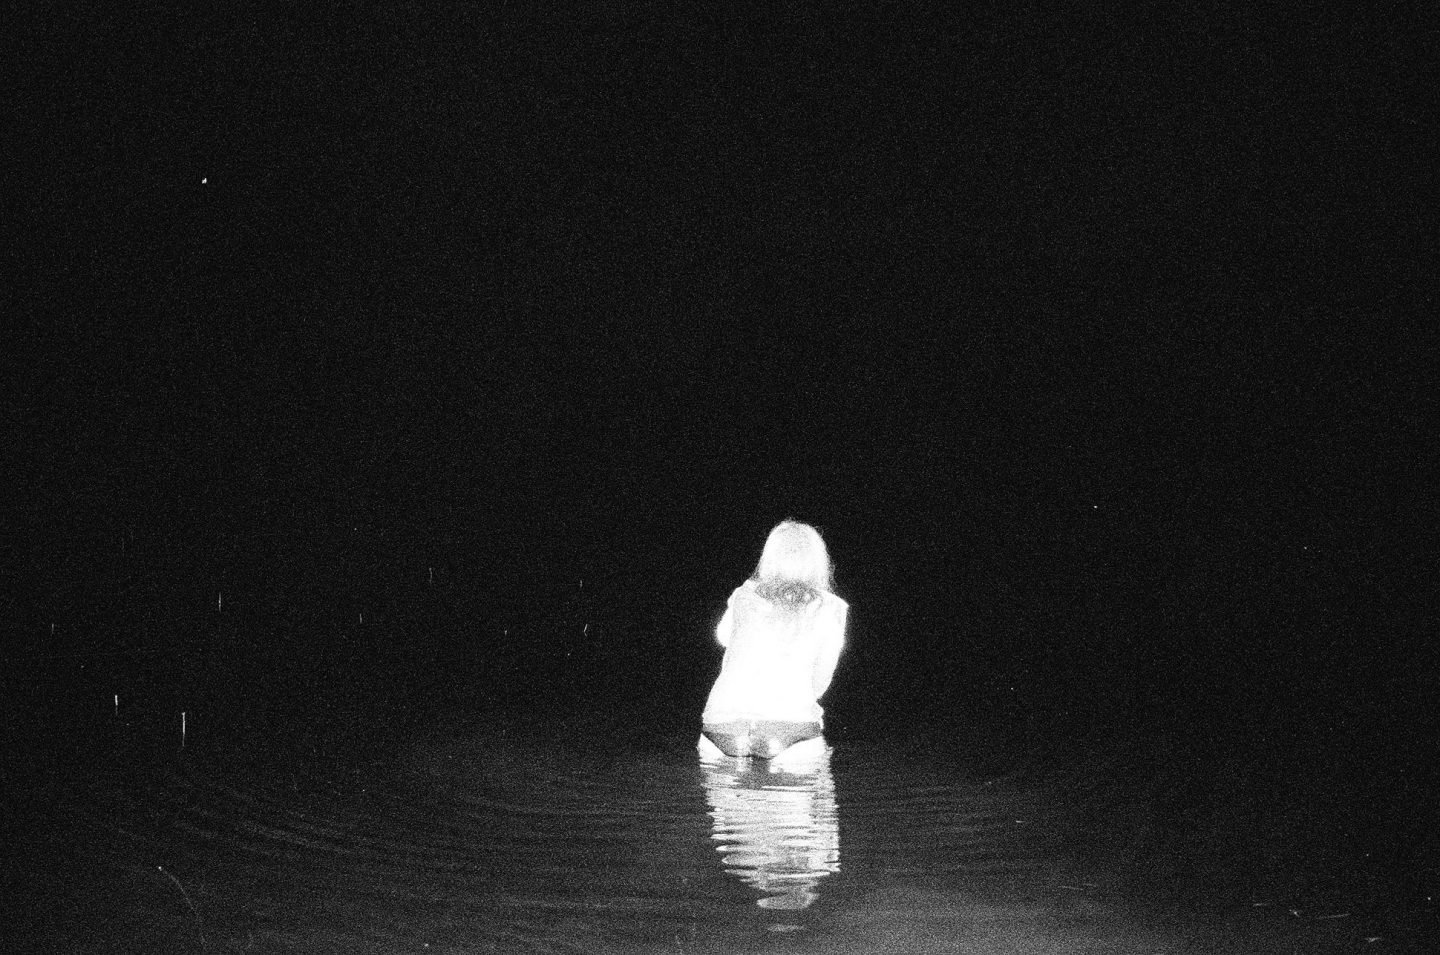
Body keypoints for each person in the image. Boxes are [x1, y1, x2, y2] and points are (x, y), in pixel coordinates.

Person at [699, 520, 848, 762]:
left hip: (721, 726)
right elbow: (820, 681)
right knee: (820, 795)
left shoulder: (743, 595)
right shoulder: (831, 608)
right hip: (791, 728)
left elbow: (722, 638)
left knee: (726, 798)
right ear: (819, 562)